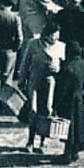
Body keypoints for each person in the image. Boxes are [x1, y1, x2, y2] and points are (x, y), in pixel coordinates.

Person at [17, 20, 65, 153]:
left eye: (57, 35)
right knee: (33, 111)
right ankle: (30, 141)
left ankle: (44, 142)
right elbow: (25, 63)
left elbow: (65, 67)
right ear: (46, 34)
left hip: (51, 83)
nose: (54, 38)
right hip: (34, 82)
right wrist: (21, 81)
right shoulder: (33, 44)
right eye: (52, 35)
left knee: (47, 111)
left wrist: (58, 68)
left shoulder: (61, 47)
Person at [53, 41, 84, 165]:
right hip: (80, 97)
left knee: (69, 127)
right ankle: (75, 152)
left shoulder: (66, 67)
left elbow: (62, 89)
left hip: (69, 101)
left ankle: (67, 154)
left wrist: (55, 105)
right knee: (79, 125)